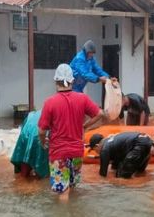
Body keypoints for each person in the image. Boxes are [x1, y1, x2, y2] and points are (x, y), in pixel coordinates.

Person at [38, 64, 105, 194]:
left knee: (62, 192)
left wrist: (42, 141)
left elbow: (41, 131)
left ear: (55, 81)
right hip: (77, 153)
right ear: (72, 81)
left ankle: (65, 214)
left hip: (59, 153)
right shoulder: (82, 98)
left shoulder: (50, 102)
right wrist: (84, 126)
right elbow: (100, 114)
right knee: (73, 189)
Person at [89, 132, 153, 178]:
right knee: (139, 173)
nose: (97, 153)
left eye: (95, 150)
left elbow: (103, 174)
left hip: (139, 146)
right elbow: (116, 164)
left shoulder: (104, 149)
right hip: (147, 142)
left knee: (122, 177)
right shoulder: (111, 140)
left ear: (97, 145)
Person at [10, 110, 49, 179]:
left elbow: (23, 129)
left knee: (25, 158)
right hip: (39, 136)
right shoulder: (54, 114)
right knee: (40, 164)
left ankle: (23, 178)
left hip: (25, 136)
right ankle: (37, 180)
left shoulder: (32, 114)